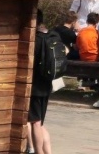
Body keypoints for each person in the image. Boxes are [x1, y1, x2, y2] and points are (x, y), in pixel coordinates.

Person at [26, 10, 55, 154]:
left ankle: (37, 151)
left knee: (35, 122)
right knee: (40, 122)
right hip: (47, 84)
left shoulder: (34, 40)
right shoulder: (52, 36)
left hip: (34, 86)